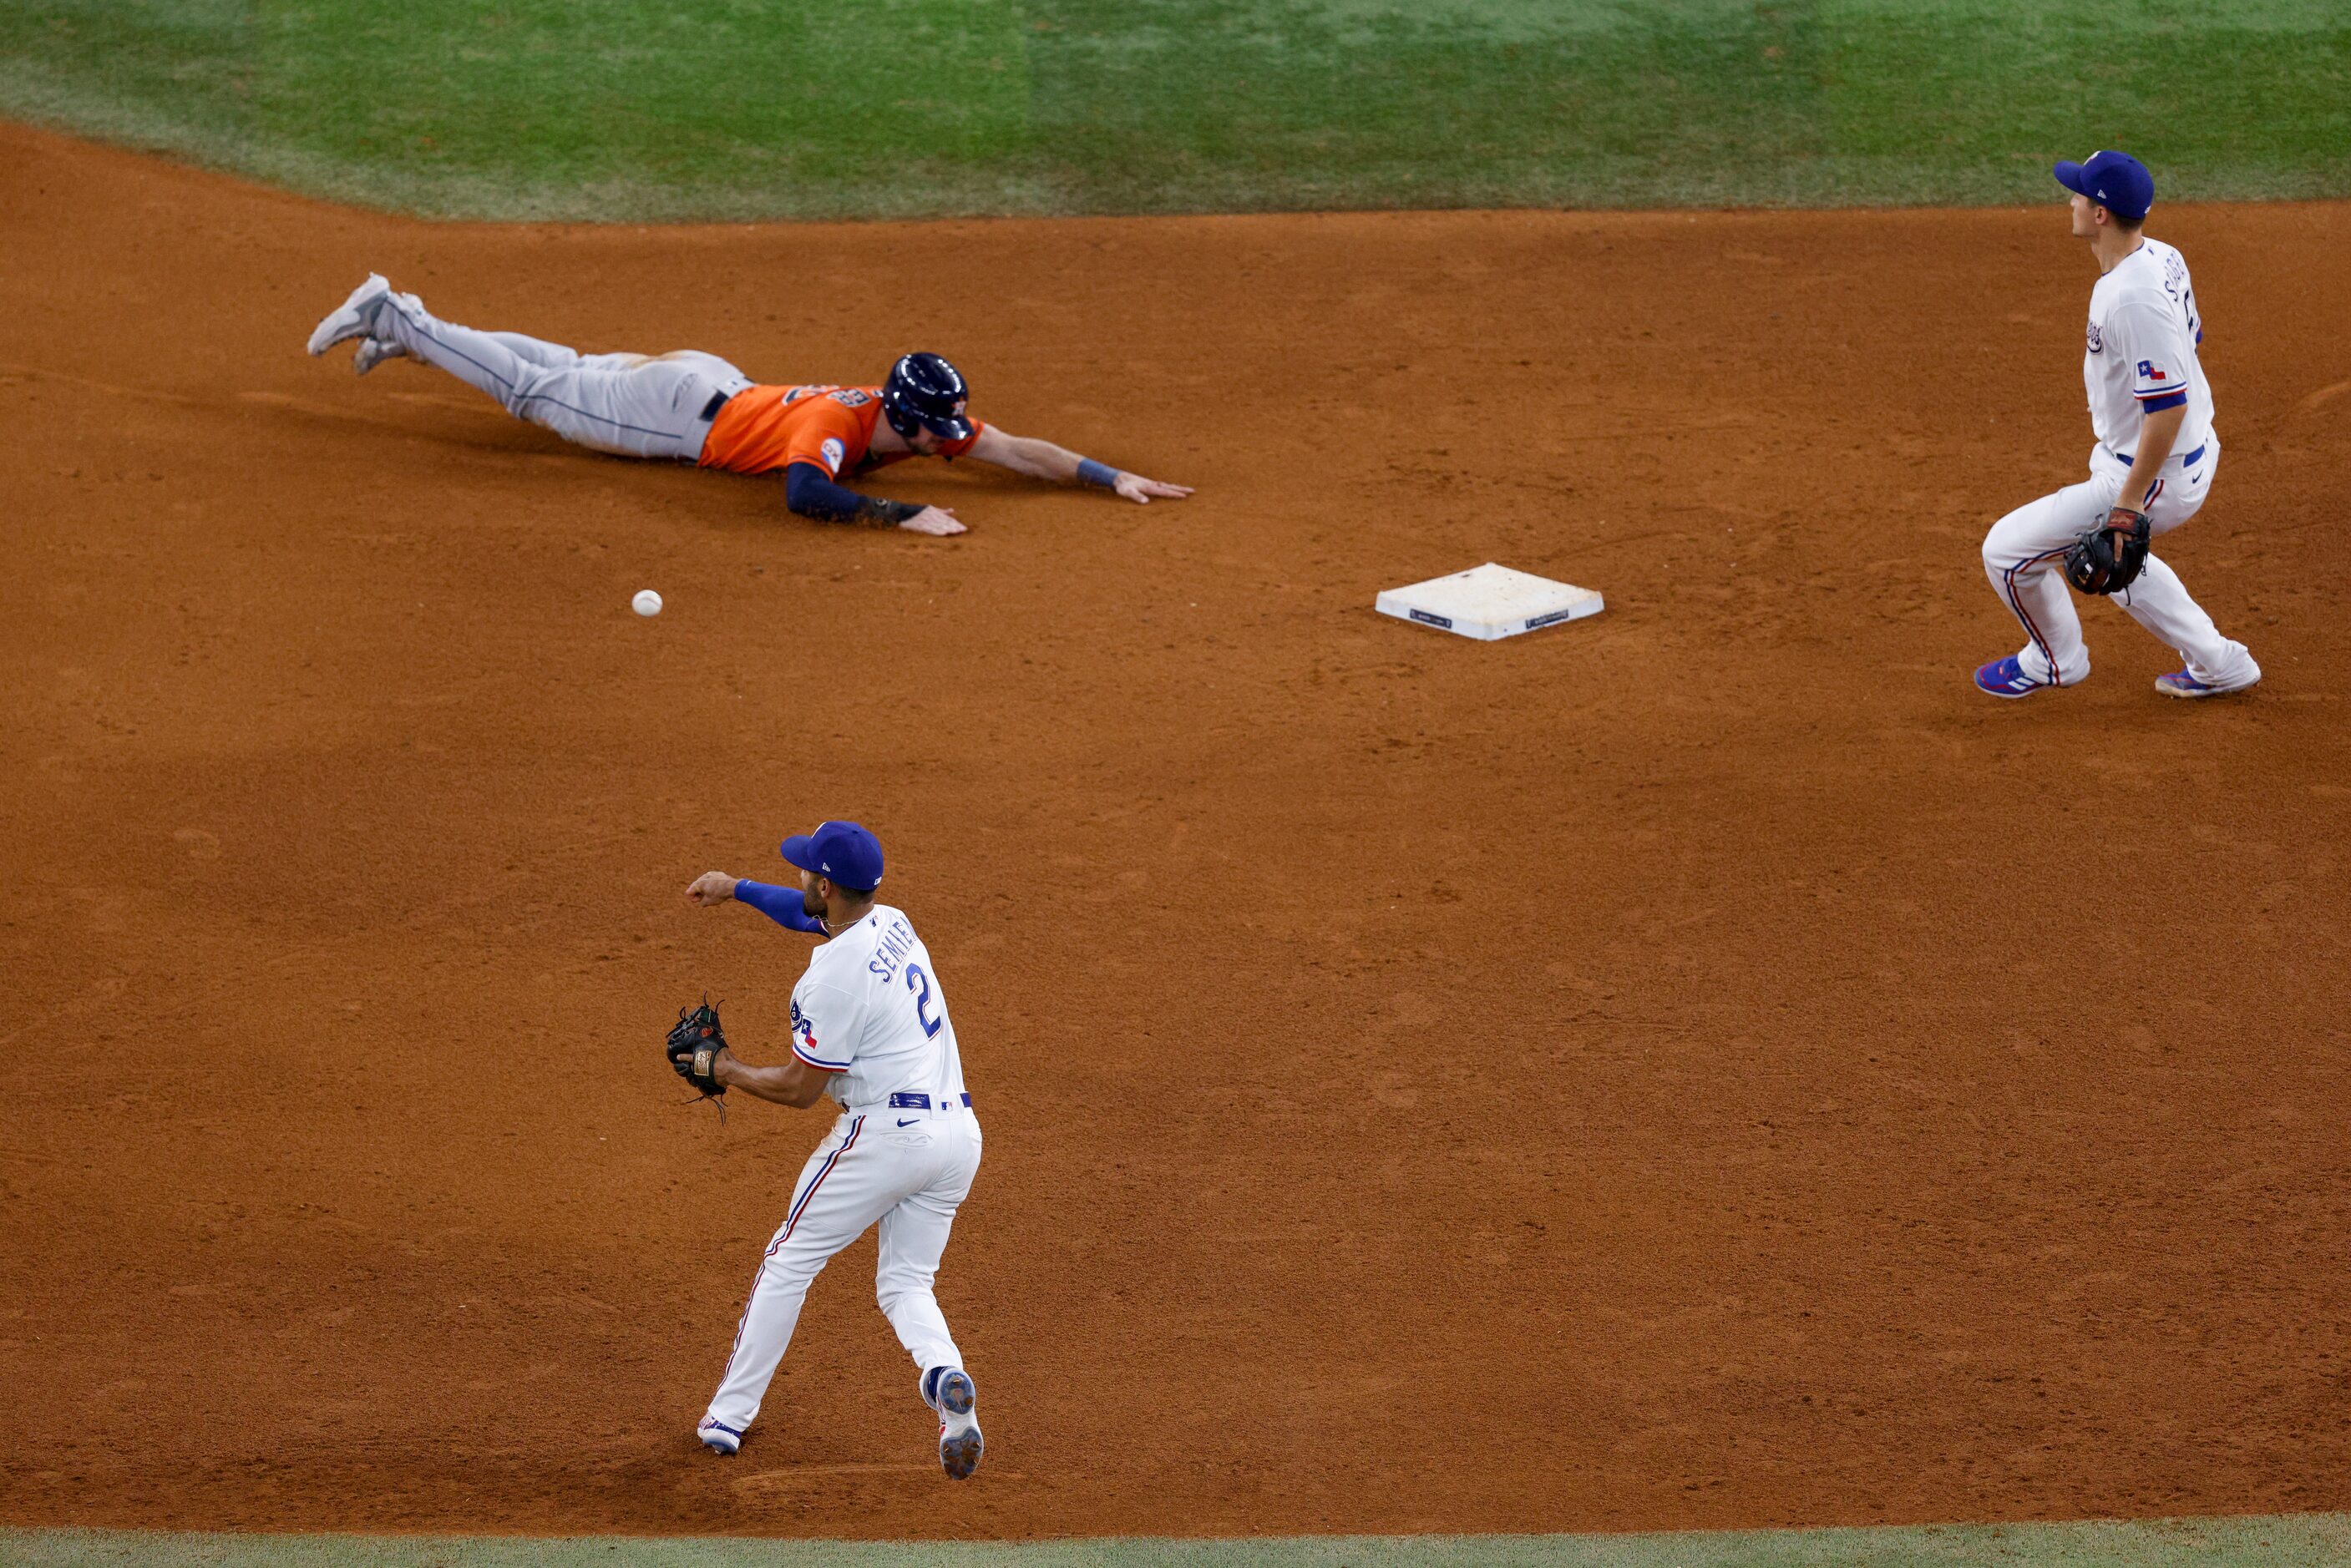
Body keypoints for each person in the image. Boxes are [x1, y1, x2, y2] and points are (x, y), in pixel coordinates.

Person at [307, 275, 1191, 536]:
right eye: (939, 433)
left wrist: (1107, 477)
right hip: (675, 416)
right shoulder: (837, 428)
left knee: (567, 368)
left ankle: (418, 336)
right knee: (542, 394)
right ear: (905, 414)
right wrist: (906, 512)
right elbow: (807, 495)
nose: (949, 442)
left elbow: (1018, 452)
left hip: (704, 380)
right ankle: (400, 316)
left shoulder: (906, 419)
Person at [679, 821, 985, 1478]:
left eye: (804, 870)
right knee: (905, 1281)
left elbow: (797, 1089)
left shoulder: (831, 983)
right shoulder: (890, 921)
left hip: (886, 1137)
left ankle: (728, 1417)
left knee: (789, 1260)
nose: (798, 877)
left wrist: (722, 1066)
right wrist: (735, 889)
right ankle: (944, 1378)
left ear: (826, 883)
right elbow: (802, 912)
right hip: (957, 1137)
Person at [1975, 151, 2260, 700]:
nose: (2071, 200)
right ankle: (2219, 662)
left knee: (2007, 554)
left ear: (2100, 213)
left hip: (2151, 470)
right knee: (2111, 559)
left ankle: (2052, 661)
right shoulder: (2161, 256)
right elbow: (2186, 346)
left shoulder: (2131, 297)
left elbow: (2166, 408)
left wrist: (2126, 507)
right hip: (2172, 454)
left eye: (2079, 193)